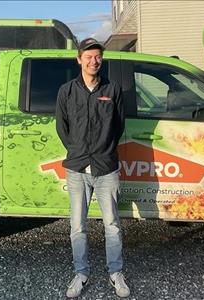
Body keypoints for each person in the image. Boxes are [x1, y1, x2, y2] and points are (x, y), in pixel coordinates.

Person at [55, 38, 129, 298]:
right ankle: (81, 272)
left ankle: (115, 272)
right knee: (78, 226)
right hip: (76, 169)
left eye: (97, 56)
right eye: (88, 56)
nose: (93, 61)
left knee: (112, 225)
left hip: (106, 168)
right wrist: (77, 150)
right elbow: (61, 127)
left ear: (101, 59)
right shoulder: (66, 91)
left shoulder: (113, 89)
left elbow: (118, 126)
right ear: (79, 59)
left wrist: (103, 149)